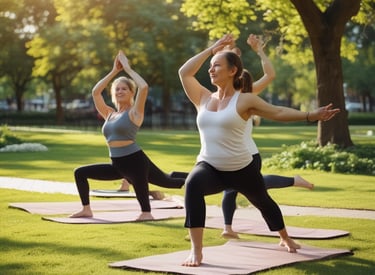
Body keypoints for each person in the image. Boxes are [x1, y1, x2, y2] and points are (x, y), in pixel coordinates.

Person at [178, 34, 339, 266]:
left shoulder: (244, 100)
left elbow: (278, 112)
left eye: (217, 66)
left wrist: (310, 115)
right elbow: (184, 72)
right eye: (211, 66)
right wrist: (212, 49)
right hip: (209, 165)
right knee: (192, 185)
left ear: (233, 71)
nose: (211, 70)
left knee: (262, 201)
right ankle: (197, 251)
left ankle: (285, 237)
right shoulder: (202, 97)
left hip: (241, 166)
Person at [70, 50, 185, 220]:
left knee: (169, 183)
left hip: (135, 160)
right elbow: (95, 92)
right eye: (117, 89)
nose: (120, 91)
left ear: (132, 93)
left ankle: (147, 212)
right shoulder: (109, 113)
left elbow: (144, 87)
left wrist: (128, 69)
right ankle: (86, 209)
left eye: (124, 88)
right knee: (80, 172)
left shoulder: (134, 112)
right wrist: (115, 71)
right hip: (117, 165)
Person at [220, 34, 314, 239]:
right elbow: (218, 64)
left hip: (249, 154)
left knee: (256, 191)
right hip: (230, 154)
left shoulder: (249, 95)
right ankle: (227, 228)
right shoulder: (220, 95)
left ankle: (293, 181)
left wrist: (259, 51)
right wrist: (224, 47)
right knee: (232, 189)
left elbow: (270, 75)